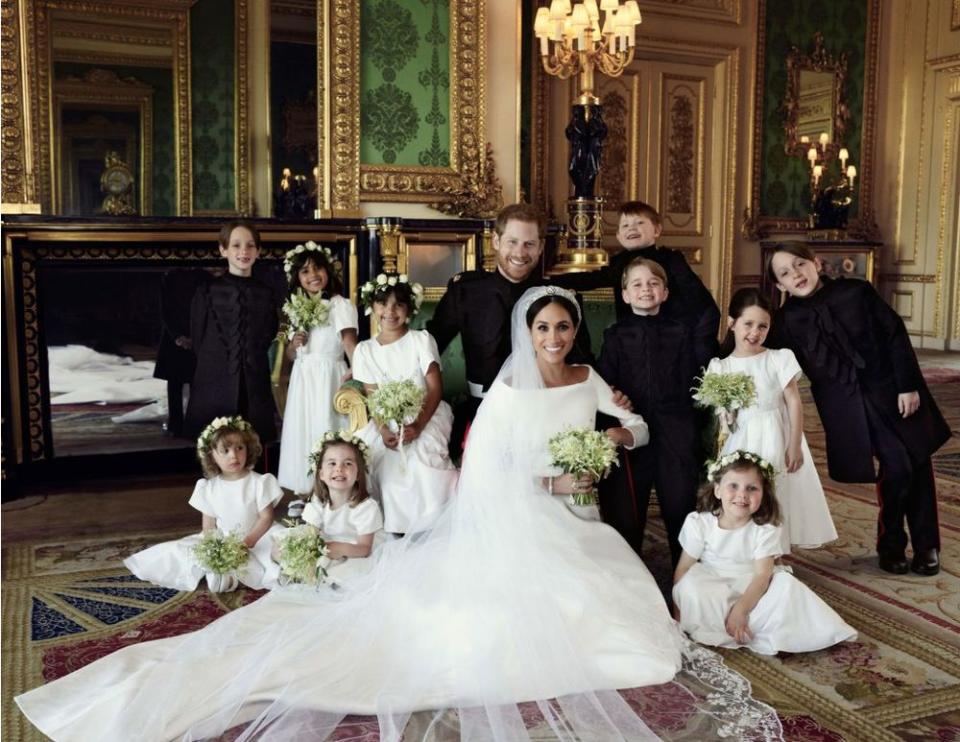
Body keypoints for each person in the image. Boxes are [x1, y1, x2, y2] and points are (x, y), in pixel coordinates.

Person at [15, 284, 785, 741]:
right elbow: (494, 470)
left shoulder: (589, 377)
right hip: (527, 513)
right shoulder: (513, 392)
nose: (555, 336)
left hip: (577, 511)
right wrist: (553, 486)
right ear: (529, 334)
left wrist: (615, 434)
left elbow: (633, 429)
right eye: (544, 328)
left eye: (563, 327)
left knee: (628, 609)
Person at [768, 244, 950, 576]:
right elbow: (765, 357)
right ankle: (893, 541)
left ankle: (926, 547)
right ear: (780, 286)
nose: (795, 273)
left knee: (918, 463)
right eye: (785, 273)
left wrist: (907, 385)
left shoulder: (856, 292)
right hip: (848, 409)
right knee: (899, 465)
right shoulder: (786, 321)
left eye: (799, 264)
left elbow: (894, 334)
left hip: (893, 390)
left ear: (816, 264)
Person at [426, 202, 593, 455]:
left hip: (544, 410)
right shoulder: (466, 291)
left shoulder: (558, 297)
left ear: (540, 247)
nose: (520, 252)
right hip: (482, 409)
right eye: (512, 242)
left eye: (529, 244)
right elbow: (429, 346)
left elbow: (582, 359)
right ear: (496, 240)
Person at [673, 450, 857, 655]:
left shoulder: (765, 529)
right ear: (717, 490)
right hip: (713, 584)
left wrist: (741, 609)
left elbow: (762, 575)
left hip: (753, 586)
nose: (742, 494)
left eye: (752, 488)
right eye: (733, 486)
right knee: (690, 584)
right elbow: (683, 569)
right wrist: (678, 613)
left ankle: (749, 624)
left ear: (763, 494)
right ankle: (721, 625)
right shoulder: (699, 523)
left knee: (787, 585)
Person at [705, 288, 837, 553]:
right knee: (744, 491)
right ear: (732, 323)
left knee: (777, 491)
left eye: (762, 326)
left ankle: (775, 554)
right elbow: (723, 412)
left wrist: (795, 444)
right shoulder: (721, 366)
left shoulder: (778, 358)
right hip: (742, 439)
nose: (754, 333)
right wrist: (726, 413)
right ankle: (747, 549)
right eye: (748, 324)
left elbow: (794, 402)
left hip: (777, 433)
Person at [596, 258, 704, 564]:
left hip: (676, 429)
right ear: (626, 294)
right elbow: (605, 380)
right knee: (626, 509)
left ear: (666, 293)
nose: (646, 289)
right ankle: (628, 573)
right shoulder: (615, 335)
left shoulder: (681, 332)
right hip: (633, 430)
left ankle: (685, 575)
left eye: (654, 283)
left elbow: (694, 378)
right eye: (638, 284)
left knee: (680, 503)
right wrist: (615, 393)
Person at [555, 200, 720, 370]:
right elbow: (588, 280)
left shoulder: (671, 259)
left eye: (639, 223)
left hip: (673, 338)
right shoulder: (618, 264)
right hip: (634, 339)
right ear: (618, 236)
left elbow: (699, 300)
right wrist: (547, 282)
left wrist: (691, 338)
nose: (632, 228)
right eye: (625, 225)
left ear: (657, 230)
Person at [124, 416, 283, 592]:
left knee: (278, 552)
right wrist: (217, 548)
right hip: (226, 539)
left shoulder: (259, 482)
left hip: (258, 537)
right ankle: (223, 573)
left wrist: (248, 542)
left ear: (248, 449)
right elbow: (209, 525)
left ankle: (237, 575)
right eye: (225, 450)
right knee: (184, 552)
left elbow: (266, 518)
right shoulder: (208, 488)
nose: (234, 455)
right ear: (212, 455)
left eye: (240, 448)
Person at [353, 273, 458, 533]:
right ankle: (396, 526)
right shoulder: (364, 350)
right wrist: (383, 429)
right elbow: (373, 396)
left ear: (409, 309)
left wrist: (419, 425)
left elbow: (434, 388)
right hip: (386, 420)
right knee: (385, 463)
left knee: (422, 462)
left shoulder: (421, 340)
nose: (390, 311)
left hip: (425, 413)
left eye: (398, 304)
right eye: (383, 304)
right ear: (372, 307)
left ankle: (433, 523)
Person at [183, 220, 279, 442]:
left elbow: (269, 334)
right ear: (223, 249)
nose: (244, 251)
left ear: (258, 251)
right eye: (236, 245)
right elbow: (198, 339)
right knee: (215, 445)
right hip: (214, 381)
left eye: (250, 245)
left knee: (253, 443)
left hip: (254, 382)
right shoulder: (206, 291)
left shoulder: (266, 293)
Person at [277, 242, 359, 496]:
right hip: (304, 378)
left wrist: (356, 375)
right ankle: (305, 491)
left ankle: (330, 490)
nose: (312, 275)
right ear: (297, 278)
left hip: (328, 377)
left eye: (317, 269)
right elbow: (291, 356)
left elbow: (349, 344)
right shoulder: (295, 309)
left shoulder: (339, 305)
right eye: (304, 271)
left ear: (328, 271)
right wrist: (294, 344)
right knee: (303, 431)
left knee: (326, 427)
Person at [152, 268, 210, 436]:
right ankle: (179, 424)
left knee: (193, 383)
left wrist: (192, 337)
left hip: (194, 336)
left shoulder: (203, 277)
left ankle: (189, 424)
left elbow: (207, 309)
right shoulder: (172, 276)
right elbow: (165, 310)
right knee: (177, 383)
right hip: (177, 337)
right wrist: (177, 336)